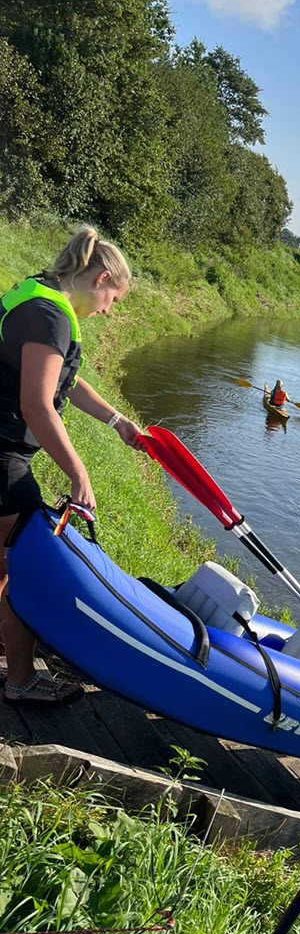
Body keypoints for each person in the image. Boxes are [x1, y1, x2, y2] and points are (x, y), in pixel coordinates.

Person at [0, 226, 140, 705]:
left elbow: (64, 380)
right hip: (4, 455)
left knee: (5, 563)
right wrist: (79, 473)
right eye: (113, 299)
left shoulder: (39, 294)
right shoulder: (51, 317)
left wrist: (116, 420)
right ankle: (20, 681)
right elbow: (37, 406)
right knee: (26, 570)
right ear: (100, 279)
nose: (108, 310)